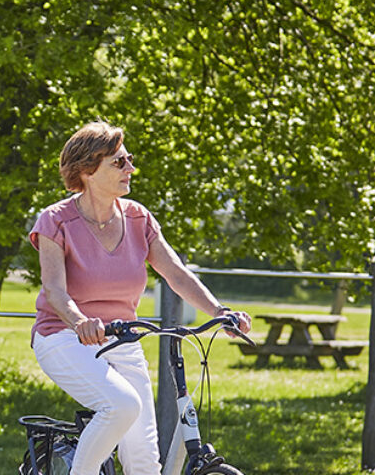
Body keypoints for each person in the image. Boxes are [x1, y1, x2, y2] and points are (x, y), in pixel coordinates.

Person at [29, 121, 252, 475]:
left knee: (145, 461)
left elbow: (176, 273)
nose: (130, 168)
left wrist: (220, 311)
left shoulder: (138, 218)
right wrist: (80, 322)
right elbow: (54, 290)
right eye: (119, 162)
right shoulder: (56, 220)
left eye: (128, 159)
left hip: (123, 338)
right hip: (64, 336)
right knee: (120, 406)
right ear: (88, 170)